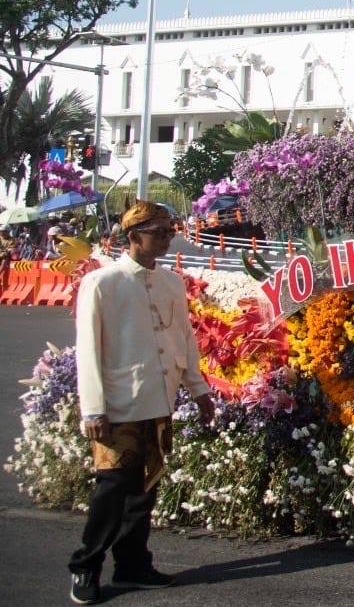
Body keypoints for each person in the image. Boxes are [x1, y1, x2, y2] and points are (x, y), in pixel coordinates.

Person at [68, 200, 214, 605]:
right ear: (132, 237)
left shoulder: (170, 282)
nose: (168, 238)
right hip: (116, 404)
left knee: (144, 490)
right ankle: (86, 567)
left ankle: (132, 566)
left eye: (170, 231)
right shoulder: (102, 283)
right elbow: (88, 351)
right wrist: (93, 408)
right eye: (159, 232)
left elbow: (183, 338)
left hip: (158, 399)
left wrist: (198, 389)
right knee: (112, 489)